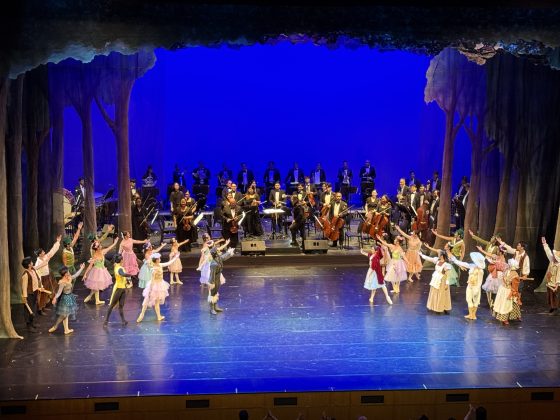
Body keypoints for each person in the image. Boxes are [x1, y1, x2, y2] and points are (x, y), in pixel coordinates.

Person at [136, 252, 179, 323]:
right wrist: (150, 290)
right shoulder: (154, 269)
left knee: (157, 302)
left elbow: (168, 263)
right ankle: (142, 314)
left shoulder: (160, 265)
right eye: (159, 258)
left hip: (160, 285)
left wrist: (175, 257)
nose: (160, 259)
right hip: (154, 286)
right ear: (156, 260)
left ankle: (159, 316)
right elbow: (152, 280)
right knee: (147, 300)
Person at [48, 263, 86, 334]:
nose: (69, 272)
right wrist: (55, 298)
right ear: (65, 274)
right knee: (64, 315)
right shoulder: (62, 282)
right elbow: (59, 292)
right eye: (67, 272)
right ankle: (55, 326)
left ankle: (66, 330)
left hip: (70, 297)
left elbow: (76, 275)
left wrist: (81, 268)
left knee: (67, 314)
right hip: (65, 299)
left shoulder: (69, 277)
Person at [82, 236, 119, 305]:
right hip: (96, 272)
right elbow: (90, 266)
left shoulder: (102, 252)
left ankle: (93, 298)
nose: (101, 246)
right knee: (96, 286)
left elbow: (110, 248)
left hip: (102, 270)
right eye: (99, 245)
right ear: (97, 248)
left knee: (97, 286)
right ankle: (95, 299)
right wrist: (85, 274)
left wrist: (115, 243)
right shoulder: (95, 256)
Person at [451, 252, 486, 320]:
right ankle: (470, 314)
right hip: (470, 285)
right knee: (468, 299)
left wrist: (477, 289)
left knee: (476, 301)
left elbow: (480, 281)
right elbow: (462, 263)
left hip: (476, 287)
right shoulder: (472, 266)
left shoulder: (481, 271)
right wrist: (454, 259)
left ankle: (473, 315)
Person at [33, 235, 63, 314]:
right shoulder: (38, 262)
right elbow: (38, 274)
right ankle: (40, 309)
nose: (44, 252)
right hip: (42, 279)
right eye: (42, 252)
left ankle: (44, 306)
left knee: (49, 292)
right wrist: (40, 285)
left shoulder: (45, 257)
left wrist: (58, 242)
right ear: (40, 254)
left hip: (48, 276)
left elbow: (52, 251)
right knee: (43, 294)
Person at [103, 254, 133, 327]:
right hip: (118, 289)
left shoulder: (119, 267)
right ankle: (105, 321)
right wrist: (129, 274)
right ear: (121, 260)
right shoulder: (118, 268)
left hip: (123, 288)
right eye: (122, 259)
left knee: (121, 305)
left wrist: (127, 280)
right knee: (112, 305)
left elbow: (123, 276)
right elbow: (122, 274)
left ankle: (123, 320)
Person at [476, 245, 507, 309]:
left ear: (501, 252)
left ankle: (495, 303)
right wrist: (481, 250)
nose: (497, 251)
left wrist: (495, 263)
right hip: (494, 274)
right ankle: (490, 302)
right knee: (490, 289)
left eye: (498, 250)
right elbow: (488, 254)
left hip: (499, 275)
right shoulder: (496, 256)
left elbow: (503, 268)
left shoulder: (503, 259)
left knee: (497, 290)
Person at [492, 259, 522, 325]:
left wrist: (512, 293)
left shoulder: (514, 274)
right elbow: (504, 278)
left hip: (507, 290)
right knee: (505, 303)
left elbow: (514, 287)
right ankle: (505, 318)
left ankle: (509, 317)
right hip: (504, 289)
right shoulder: (507, 271)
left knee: (509, 303)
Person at [208, 246, 236, 315]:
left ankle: (215, 307)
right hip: (214, 279)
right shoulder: (213, 264)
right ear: (216, 254)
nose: (220, 251)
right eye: (218, 251)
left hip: (218, 278)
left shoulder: (218, 258)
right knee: (212, 293)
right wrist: (212, 283)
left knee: (216, 292)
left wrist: (229, 252)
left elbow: (224, 257)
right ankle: (212, 309)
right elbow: (212, 275)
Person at [541, 237, 560, 315]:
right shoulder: (552, 261)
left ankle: (556, 309)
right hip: (550, 282)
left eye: (554, 256)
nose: (553, 256)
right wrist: (545, 244)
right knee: (550, 296)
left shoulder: (559, 265)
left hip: (556, 284)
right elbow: (548, 253)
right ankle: (552, 307)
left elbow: (559, 276)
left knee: (555, 297)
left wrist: (557, 285)